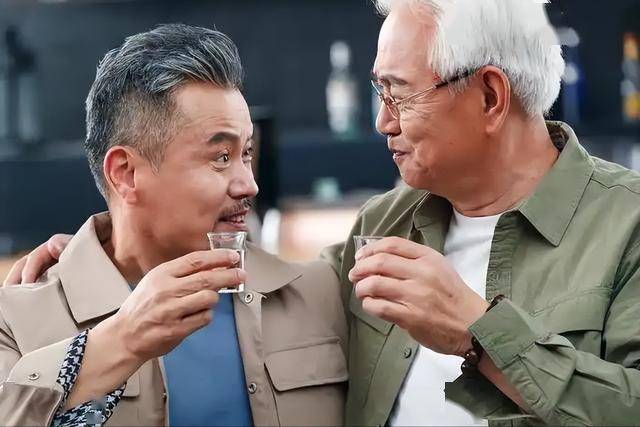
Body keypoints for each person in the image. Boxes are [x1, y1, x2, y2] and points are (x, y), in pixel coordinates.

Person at [0, 24, 347, 426]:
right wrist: (122, 339)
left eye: (246, 153)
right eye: (221, 157)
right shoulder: (15, 322)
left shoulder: (325, 293)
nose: (249, 184)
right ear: (126, 173)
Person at [319, 0, 640, 425]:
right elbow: (280, 307)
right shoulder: (382, 222)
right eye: (382, 93)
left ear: (490, 97)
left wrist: (479, 334)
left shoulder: (628, 224)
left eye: (400, 96)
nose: (383, 121)